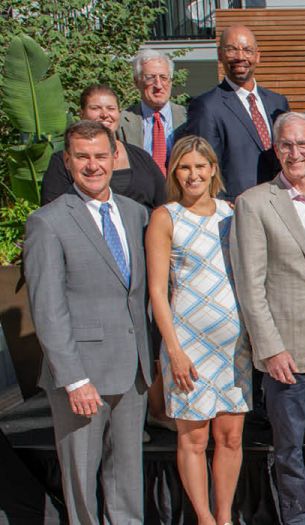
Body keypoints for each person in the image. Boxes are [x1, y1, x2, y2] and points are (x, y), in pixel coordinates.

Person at [24, 120, 153, 524]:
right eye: (82, 157)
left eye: (100, 155)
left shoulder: (136, 214)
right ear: (67, 160)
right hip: (83, 378)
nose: (92, 165)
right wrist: (74, 378)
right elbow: (47, 307)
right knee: (82, 482)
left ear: (115, 156)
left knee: (127, 479)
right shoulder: (47, 221)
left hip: (133, 371)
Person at [230, 112, 305, 525]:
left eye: (302, 145)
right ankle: (298, 517)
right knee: (289, 443)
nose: (294, 153)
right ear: (275, 150)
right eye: (286, 145)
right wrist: (269, 347)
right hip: (285, 349)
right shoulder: (254, 203)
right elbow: (250, 284)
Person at [145, 136, 251, 525]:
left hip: (233, 346)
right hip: (187, 345)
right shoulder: (165, 216)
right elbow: (157, 290)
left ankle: (224, 517)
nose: (193, 174)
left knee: (231, 438)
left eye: (200, 166)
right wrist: (173, 350)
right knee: (193, 439)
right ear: (174, 171)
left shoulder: (231, 212)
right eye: (185, 167)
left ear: (212, 170)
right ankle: (204, 519)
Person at [180, 24, 289, 199]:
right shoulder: (206, 106)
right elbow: (203, 165)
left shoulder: (278, 103)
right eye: (231, 50)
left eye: (247, 50)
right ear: (220, 55)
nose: (240, 57)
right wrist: (221, 206)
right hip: (235, 209)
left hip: (281, 200)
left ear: (257, 56)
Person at [42, 85, 166, 208]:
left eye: (111, 108)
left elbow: (165, 202)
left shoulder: (141, 156)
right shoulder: (63, 162)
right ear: (81, 113)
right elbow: (53, 211)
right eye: (96, 108)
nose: (105, 114)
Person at [118, 48, 186, 175]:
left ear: (170, 81)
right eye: (150, 78)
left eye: (164, 77)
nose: (159, 85)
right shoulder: (122, 121)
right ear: (137, 82)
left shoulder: (189, 117)